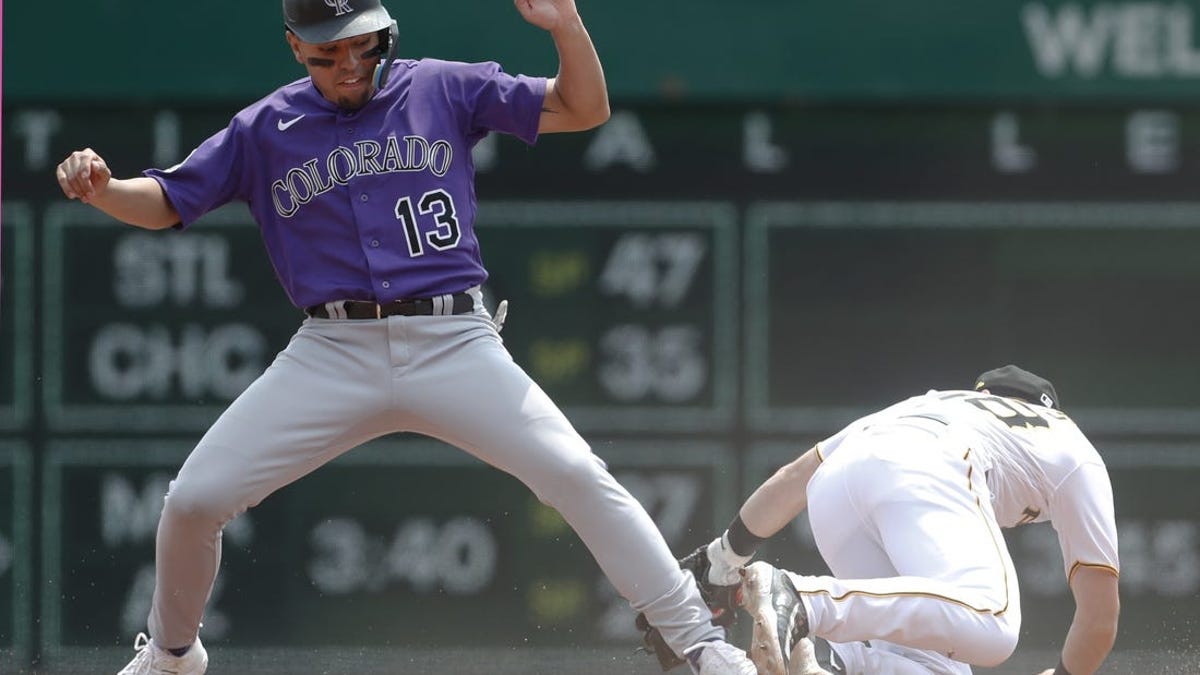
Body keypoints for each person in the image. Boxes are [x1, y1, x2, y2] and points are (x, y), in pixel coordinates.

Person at [55, 1, 755, 673]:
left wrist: (567, 26)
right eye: (329, 53)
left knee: (575, 473)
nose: (350, 63)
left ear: (386, 30)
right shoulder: (264, 127)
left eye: (363, 43)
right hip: (331, 350)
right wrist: (106, 187)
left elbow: (585, 107)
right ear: (296, 47)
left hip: (452, 338)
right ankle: (173, 657)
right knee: (192, 501)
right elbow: (169, 201)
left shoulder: (442, 86)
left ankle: (700, 642)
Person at [682, 365, 1120, 675]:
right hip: (932, 465)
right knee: (994, 622)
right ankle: (803, 599)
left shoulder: (935, 403)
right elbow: (1099, 618)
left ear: (984, 396)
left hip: (837, 490)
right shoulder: (1072, 446)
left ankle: (829, 660)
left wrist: (722, 557)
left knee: (935, 668)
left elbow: (793, 479)